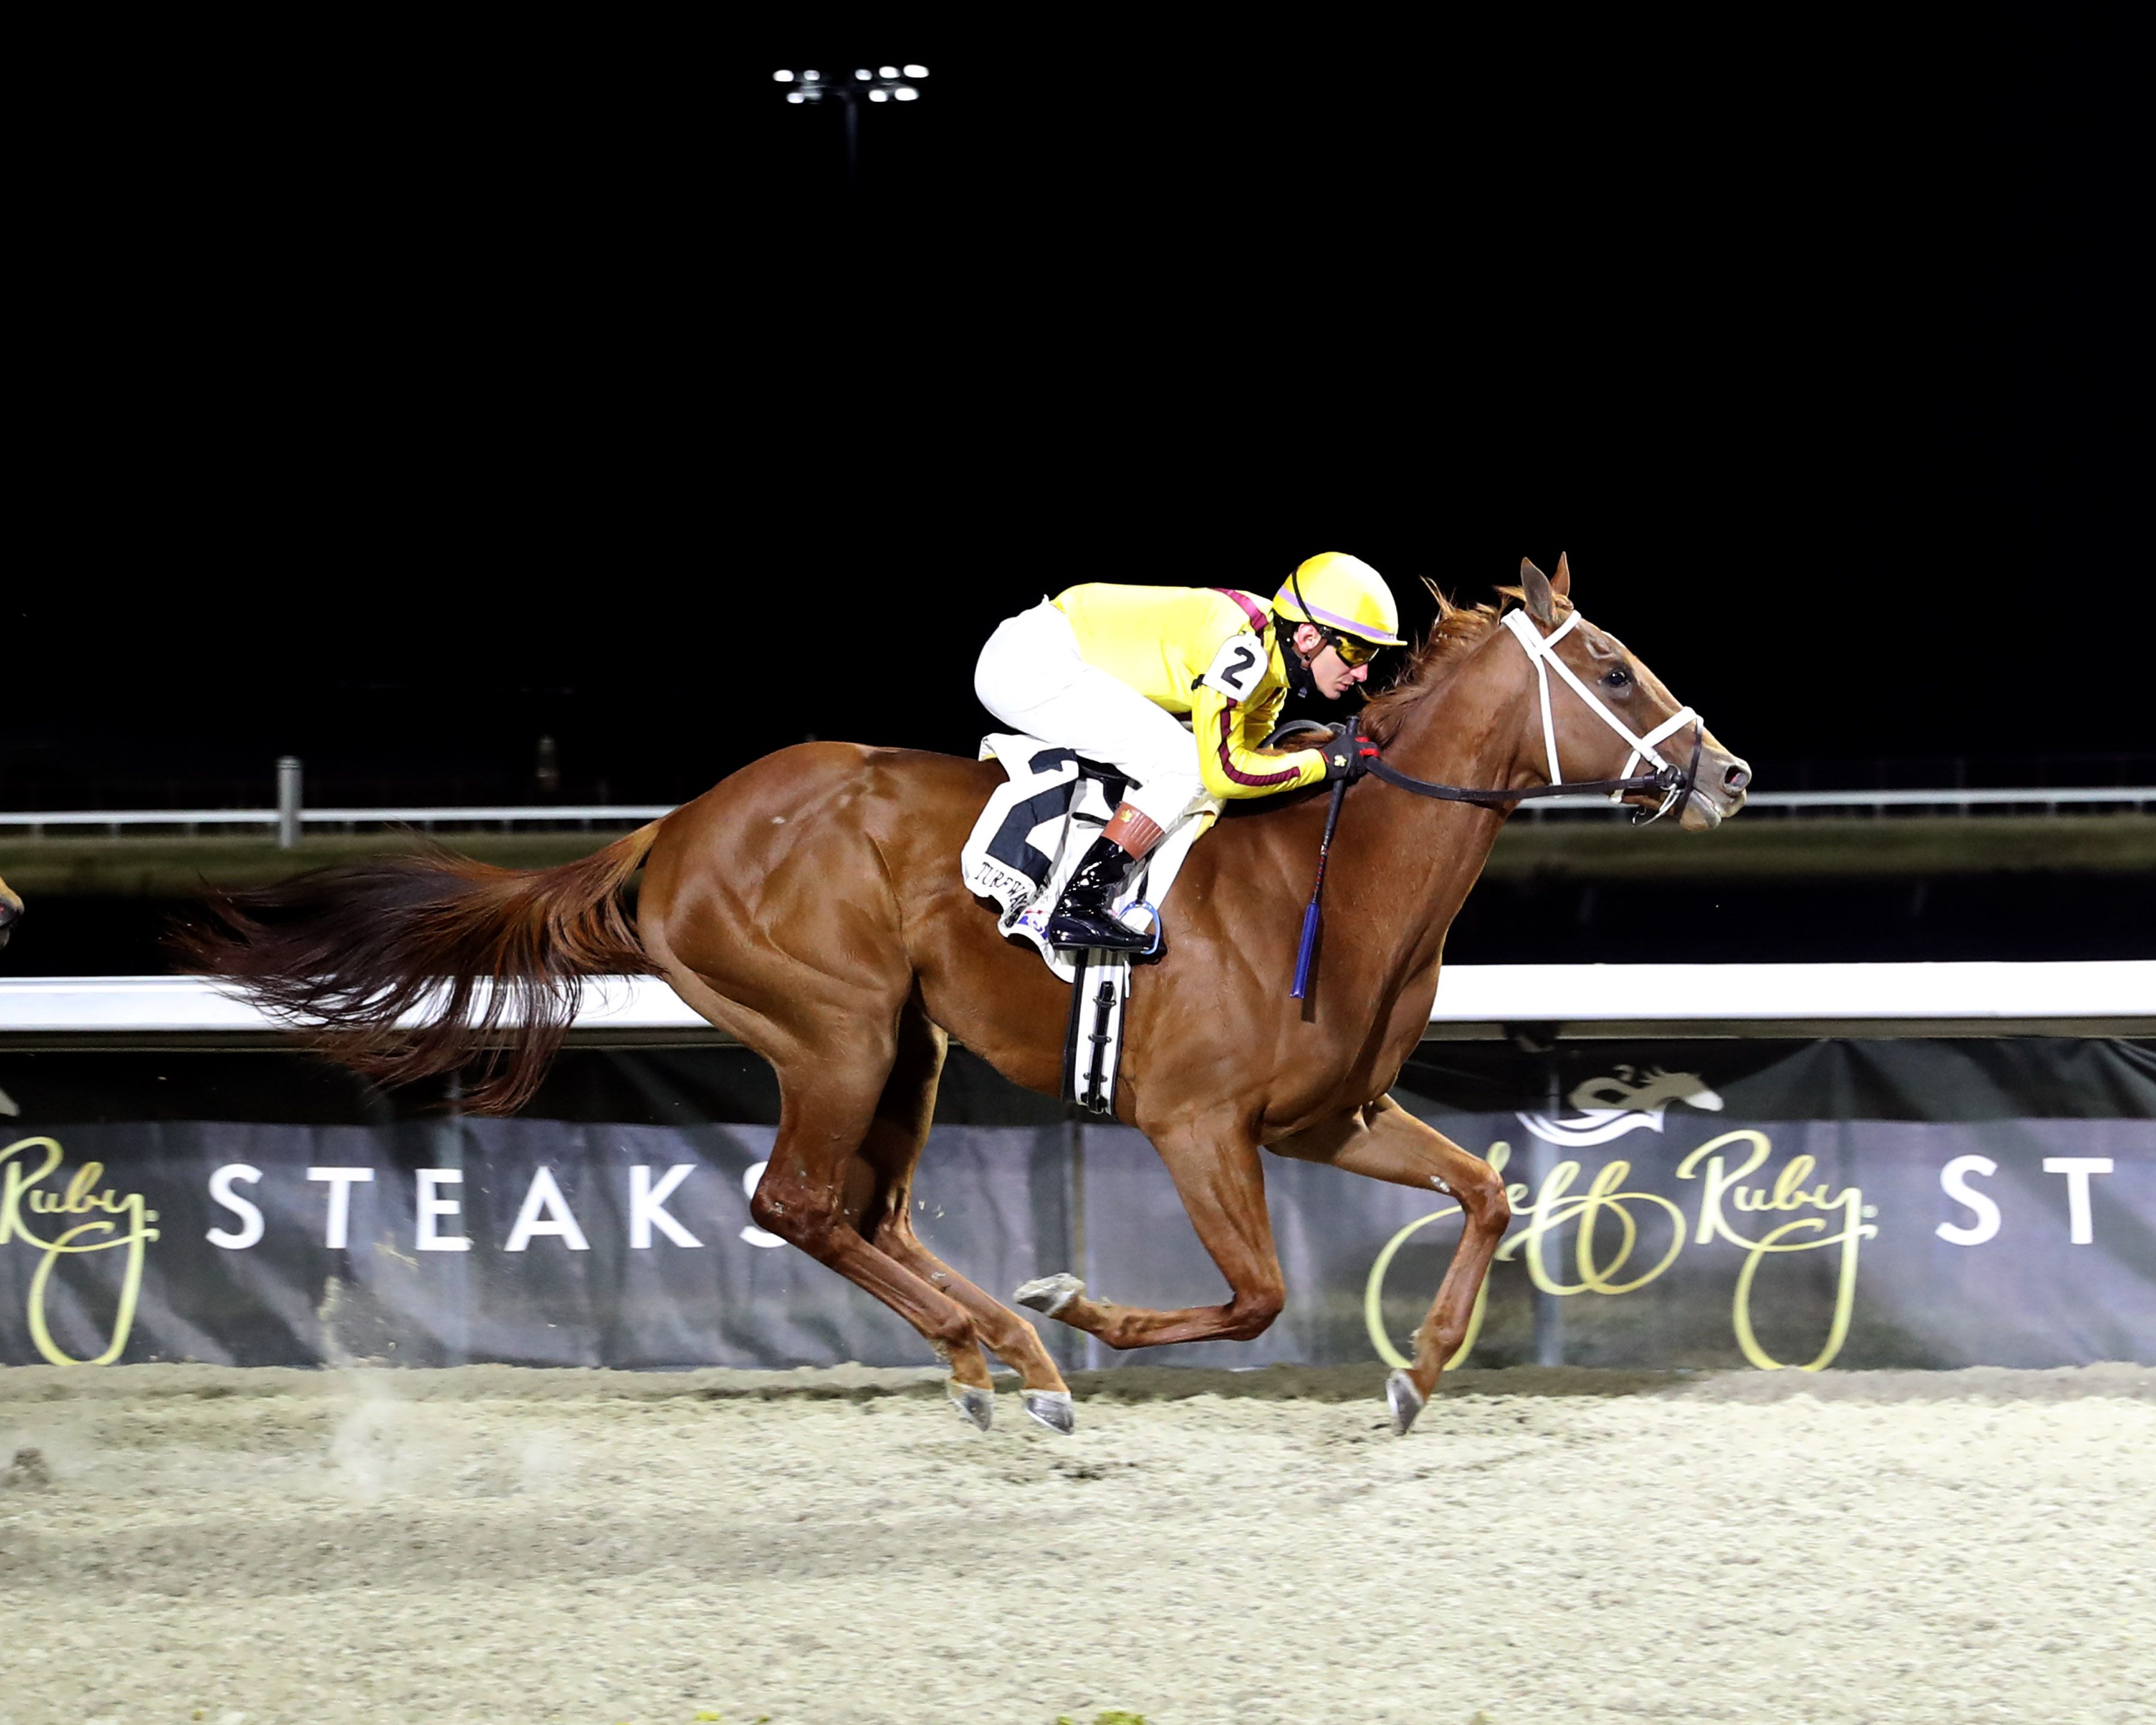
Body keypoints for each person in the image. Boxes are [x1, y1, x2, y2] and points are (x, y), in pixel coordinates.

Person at [973, 552, 1403, 951]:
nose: (1363, 671)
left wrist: (1309, 759)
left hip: (1052, 655)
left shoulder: (1272, 672)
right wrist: (1324, 764)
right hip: (1031, 661)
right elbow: (1224, 773)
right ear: (1308, 636)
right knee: (1185, 765)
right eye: (1357, 651)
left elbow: (1248, 761)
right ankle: (1081, 902)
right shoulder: (1245, 650)